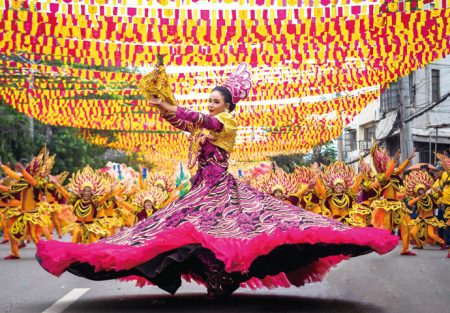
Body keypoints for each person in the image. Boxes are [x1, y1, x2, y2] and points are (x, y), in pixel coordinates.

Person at [37, 62, 397, 297]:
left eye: (215, 100)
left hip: (219, 187)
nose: (210, 104)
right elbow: (187, 123)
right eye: (208, 100)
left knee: (235, 233)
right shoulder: (210, 120)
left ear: (227, 105)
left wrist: (179, 110)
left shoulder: (227, 123)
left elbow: (201, 121)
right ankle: (218, 280)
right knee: (174, 234)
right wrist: (166, 110)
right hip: (200, 188)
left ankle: (223, 280)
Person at [404, 170, 446, 251]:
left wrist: (439, 191)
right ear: (417, 191)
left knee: (431, 234)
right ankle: (419, 245)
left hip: (430, 219)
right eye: (419, 190)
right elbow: (409, 204)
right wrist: (417, 198)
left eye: (422, 190)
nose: (421, 191)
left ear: (424, 190)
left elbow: (439, 196)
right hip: (420, 219)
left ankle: (442, 242)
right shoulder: (417, 199)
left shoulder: (430, 196)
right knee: (412, 232)